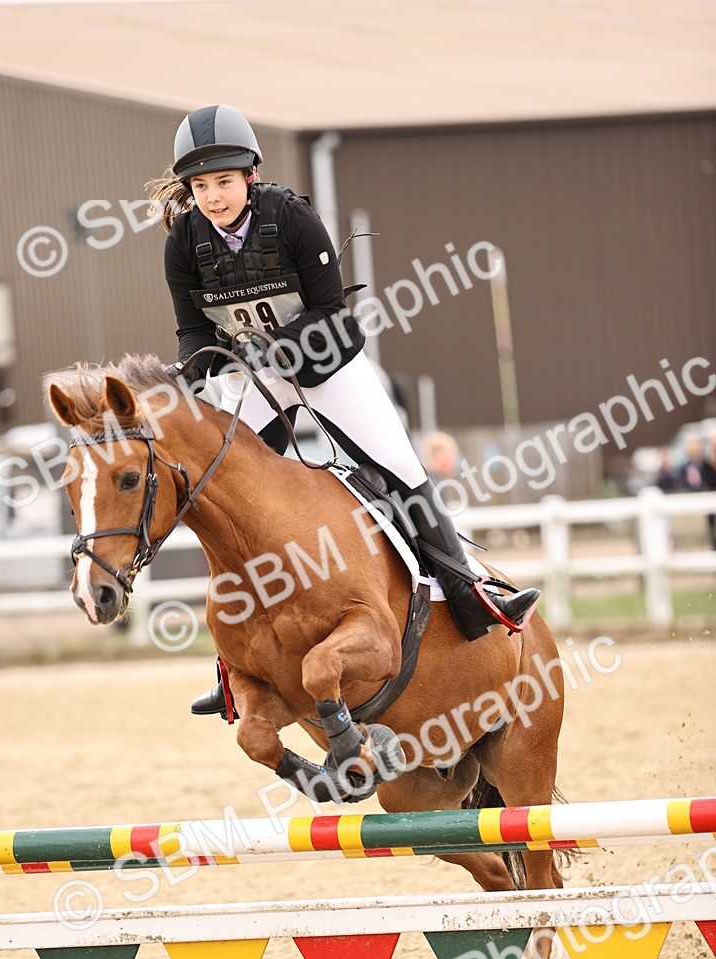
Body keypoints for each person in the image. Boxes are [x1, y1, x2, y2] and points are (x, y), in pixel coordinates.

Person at [148, 104, 540, 716]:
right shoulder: (183, 244)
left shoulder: (294, 219)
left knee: (402, 471)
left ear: (249, 176)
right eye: (201, 186)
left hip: (327, 365)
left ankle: (470, 594)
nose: (213, 196)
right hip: (257, 377)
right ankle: (230, 668)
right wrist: (195, 369)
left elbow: (330, 313)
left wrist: (272, 348)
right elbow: (192, 332)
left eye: (223, 182)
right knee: (216, 495)